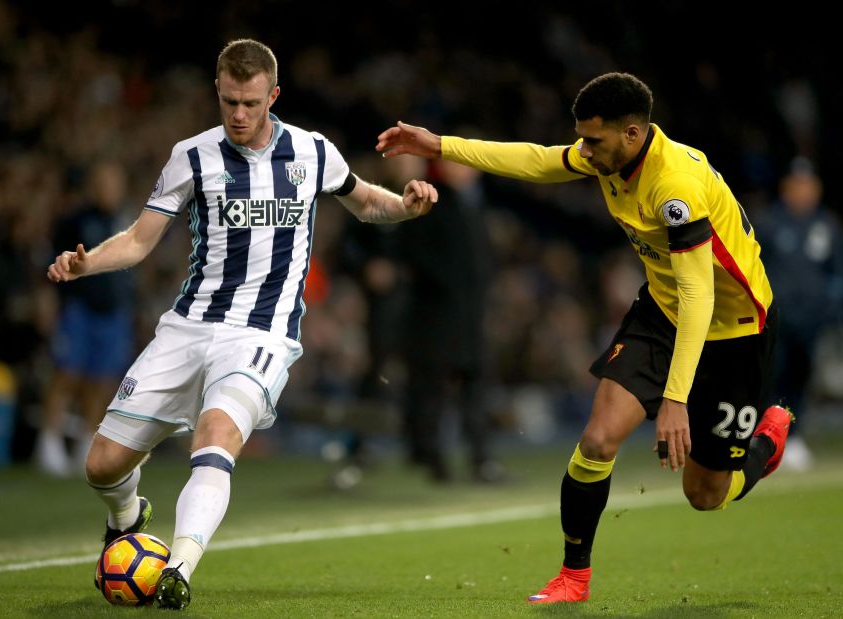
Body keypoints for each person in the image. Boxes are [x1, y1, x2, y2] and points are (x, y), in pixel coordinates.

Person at [47, 39, 437, 610]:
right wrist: (86, 263)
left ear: (272, 96)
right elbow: (136, 240)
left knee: (216, 437)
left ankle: (177, 568)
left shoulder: (313, 152)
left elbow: (364, 202)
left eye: (250, 103)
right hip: (187, 327)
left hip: (262, 335)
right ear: (218, 92)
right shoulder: (192, 156)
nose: (238, 115)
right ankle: (128, 520)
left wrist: (405, 206)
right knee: (102, 465)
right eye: (229, 101)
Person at [376, 72, 792, 604]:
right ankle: (574, 575)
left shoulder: (676, 187)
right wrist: (439, 145)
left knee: (705, 494)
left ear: (633, 135)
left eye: (593, 140)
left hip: (736, 329)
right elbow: (536, 160)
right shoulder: (610, 155)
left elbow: (702, 298)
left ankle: (764, 449)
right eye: (582, 138)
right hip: (664, 313)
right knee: (597, 439)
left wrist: (674, 399)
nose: (583, 150)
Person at [395, 158, 504, 483]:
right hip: (437, 317)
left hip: (467, 315)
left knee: (473, 387)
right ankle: (431, 458)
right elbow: (417, 253)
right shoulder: (435, 201)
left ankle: (481, 459)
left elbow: (482, 260)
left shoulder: (473, 204)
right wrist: (451, 288)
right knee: (433, 388)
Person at [36, 161, 136, 477]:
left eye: (113, 182)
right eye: (103, 182)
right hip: (78, 309)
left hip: (114, 312)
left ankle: (83, 443)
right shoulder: (75, 221)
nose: (109, 189)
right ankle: (49, 441)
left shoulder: (127, 222)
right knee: (66, 373)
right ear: (93, 185)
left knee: (101, 380)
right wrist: (50, 302)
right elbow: (52, 263)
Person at [755, 158, 843, 471]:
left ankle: (794, 437)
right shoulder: (768, 223)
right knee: (773, 378)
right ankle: (765, 439)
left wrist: (832, 309)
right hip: (776, 320)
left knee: (802, 378)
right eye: (798, 185)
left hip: (812, 321)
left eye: (809, 185)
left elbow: (837, 272)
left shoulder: (827, 225)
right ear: (786, 188)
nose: (804, 192)